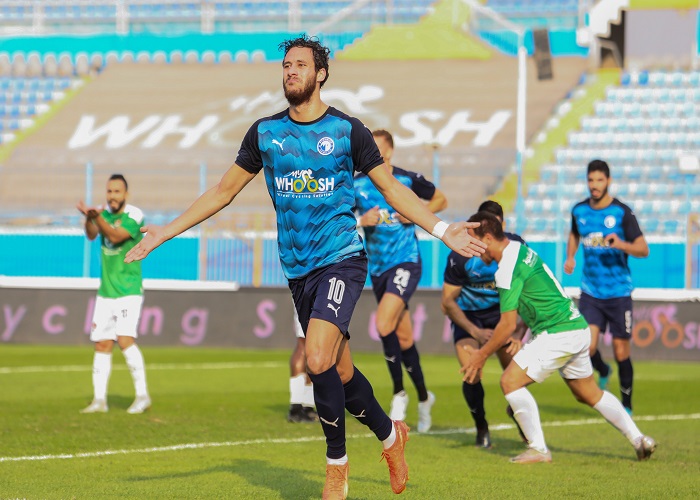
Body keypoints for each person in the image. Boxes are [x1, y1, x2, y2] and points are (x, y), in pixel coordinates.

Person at [124, 35, 486, 499]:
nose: (290, 71)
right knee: (341, 372)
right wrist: (164, 232)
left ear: (321, 73)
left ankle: (336, 468)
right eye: (286, 65)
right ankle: (391, 436)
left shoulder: (348, 131)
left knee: (316, 359)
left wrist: (441, 229)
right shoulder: (265, 133)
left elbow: (392, 190)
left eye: (299, 64)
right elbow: (222, 191)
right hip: (297, 271)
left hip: (342, 260)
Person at [460, 212, 656, 464]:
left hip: (558, 332)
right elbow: (533, 299)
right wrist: (520, 333)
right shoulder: (519, 250)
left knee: (510, 382)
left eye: (473, 240)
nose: (472, 249)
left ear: (487, 238)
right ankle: (640, 440)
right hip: (576, 328)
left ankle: (538, 449)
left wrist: (481, 355)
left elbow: (506, 324)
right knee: (589, 393)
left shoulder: (506, 269)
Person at [354, 129, 444, 432]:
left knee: (383, 324)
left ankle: (399, 393)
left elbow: (441, 199)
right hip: (379, 268)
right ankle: (424, 398)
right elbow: (339, 217)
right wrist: (360, 221)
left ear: (389, 152)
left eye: (376, 148)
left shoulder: (406, 180)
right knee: (403, 338)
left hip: (406, 261)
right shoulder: (357, 184)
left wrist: (418, 212)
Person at [564, 159, 649, 414]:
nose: (594, 185)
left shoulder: (622, 212)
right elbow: (574, 234)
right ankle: (603, 370)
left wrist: (620, 244)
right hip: (591, 291)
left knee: (621, 351)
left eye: (599, 180)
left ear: (608, 181)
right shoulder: (579, 210)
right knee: (587, 347)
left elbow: (643, 249)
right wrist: (570, 256)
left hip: (618, 292)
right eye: (591, 180)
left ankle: (626, 406)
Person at [441, 200, 527, 448]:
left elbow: (528, 293)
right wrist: (475, 331)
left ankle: (522, 419)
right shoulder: (461, 254)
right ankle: (482, 428)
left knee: (515, 375)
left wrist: (518, 332)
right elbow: (447, 303)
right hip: (470, 318)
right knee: (471, 372)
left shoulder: (516, 248)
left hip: (503, 315)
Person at [76, 174, 151, 415]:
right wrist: (90, 218)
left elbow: (115, 236)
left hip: (128, 290)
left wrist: (97, 217)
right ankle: (99, 401)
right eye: (109, 191)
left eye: (117, 191)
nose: (112, 196)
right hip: (106, 292)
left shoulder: (134, 215)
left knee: (125, 340)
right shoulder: (103, 214)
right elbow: (91, 234)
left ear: (126, 194)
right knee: (102, 343)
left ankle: (142, 396)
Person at [288, 309, 318, 423]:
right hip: (309, 300)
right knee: (304, 344)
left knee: (312, 348)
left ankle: (307, 405)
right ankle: (296, 407)